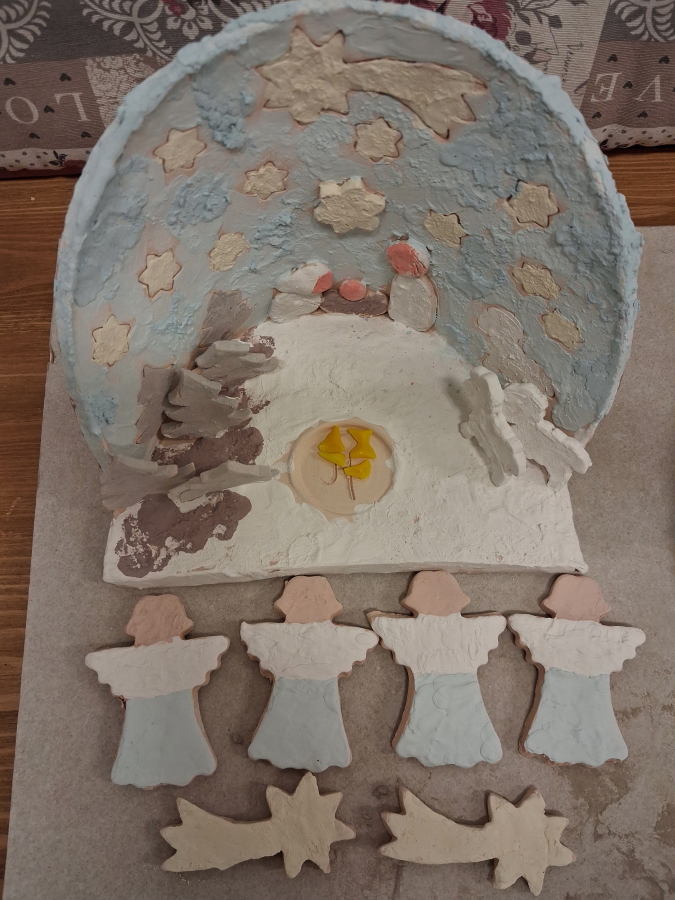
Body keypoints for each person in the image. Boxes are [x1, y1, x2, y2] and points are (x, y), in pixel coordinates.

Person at [86, 594, 229, 788]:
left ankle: (141, 768)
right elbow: (216, 645)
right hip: (154, 716)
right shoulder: (184, 654)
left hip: (161, 714)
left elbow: (97, 660)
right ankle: (177, 764)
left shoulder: (128, 660)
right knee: (167, 736)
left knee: (166, 736)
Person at [369, 571, 506, 767]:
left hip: (452, 685)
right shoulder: (468, 628)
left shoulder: (416, 629)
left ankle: (466, 746)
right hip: (437, 685)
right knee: (444, 717)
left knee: (452, 716)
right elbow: (496, 623)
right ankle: (474, 747)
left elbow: (383, 624)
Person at [241, 576, 378, 771]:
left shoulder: (284, 634)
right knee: (301, 721)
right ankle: (285, 749)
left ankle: (283, 749)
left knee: (311, 722)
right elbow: (364, 639)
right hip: (300, 691)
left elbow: (253, 634)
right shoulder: (326, 636)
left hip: (311, 692)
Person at [509, 575, 645, 766]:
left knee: (567, 715)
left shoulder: (553, 629)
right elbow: (634, 636)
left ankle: (554, 744)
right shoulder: (605, 635)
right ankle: (600, 747)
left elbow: (519, 622)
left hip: (568, 683)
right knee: (592, 717)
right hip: (580, 684)